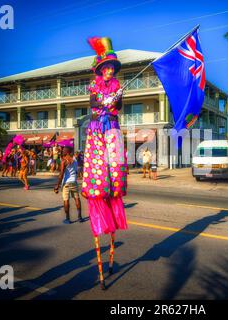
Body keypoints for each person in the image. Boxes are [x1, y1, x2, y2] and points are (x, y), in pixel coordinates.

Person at [82, 37, 128, 288]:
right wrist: (103, 101)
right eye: (106, 67)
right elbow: (92, 105)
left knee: (115, 172)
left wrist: (117, 99)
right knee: (98, 178)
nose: (109, 70)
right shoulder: (94, 86)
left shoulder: (118, 86)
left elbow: (118, 106)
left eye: (112, 67)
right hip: (98, 131)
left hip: (113, 131)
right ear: (100, 70)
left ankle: (110, 261)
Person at [54, 147, 84, 224]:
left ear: (67, 152)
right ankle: (80, 217)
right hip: (74, 182)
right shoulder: (75, 160)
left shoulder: (64, 161)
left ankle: (67, 219)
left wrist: (57, 185)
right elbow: (76, 171)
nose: (62, 151)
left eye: (64, 150)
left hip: (66, 183)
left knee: (66, 200)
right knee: (77, 199)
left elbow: (61, 174)